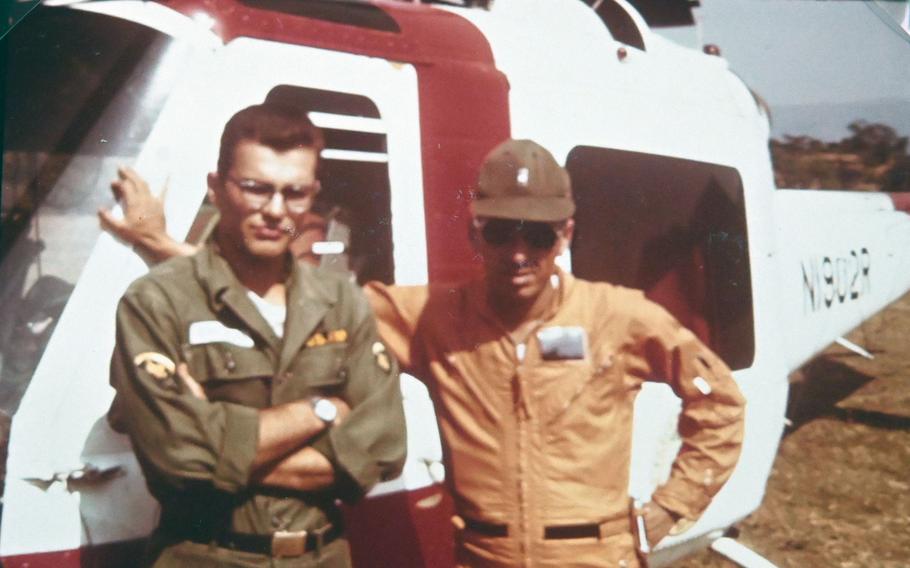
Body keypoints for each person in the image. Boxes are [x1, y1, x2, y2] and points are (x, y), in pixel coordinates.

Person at [102, 138, 746, 568]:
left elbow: (718, 405)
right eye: (501, 232)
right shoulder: (432, 315)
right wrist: (160, 244)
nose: (519, 252)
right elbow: (290, 298)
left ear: (566, 233)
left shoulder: (621, 316)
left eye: (539, 234)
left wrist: (668, 510)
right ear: (476, 233)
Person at [106, 103, 406, 567]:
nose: (276, 211)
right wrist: (320, 410)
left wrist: (217, 440)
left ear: (314, 194)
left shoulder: (341, 301)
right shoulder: (157, 303)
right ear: (217, 188)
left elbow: (384, 449)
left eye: (295, 193)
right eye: (256, 188)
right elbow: (176, 460)